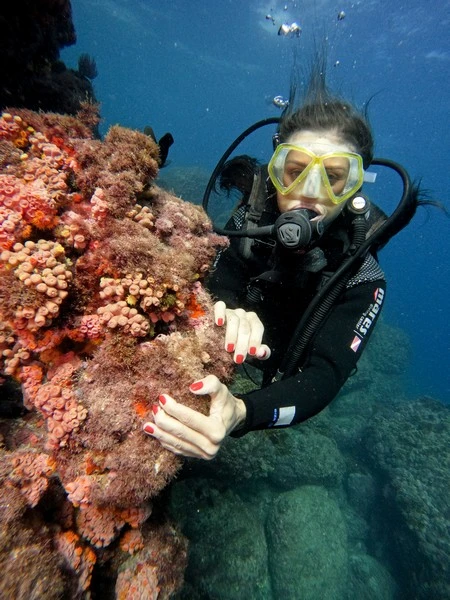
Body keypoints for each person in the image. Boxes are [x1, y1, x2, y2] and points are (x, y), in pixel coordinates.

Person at [143, 62, 423, 460]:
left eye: (333, 177)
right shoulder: (250, 219)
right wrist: (225, 308)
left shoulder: (363, 275)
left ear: (354, 189)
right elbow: (220, 277)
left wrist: (241, 411)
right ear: (276, 172)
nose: (310, 192)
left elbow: (324, 378)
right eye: (295, 171)